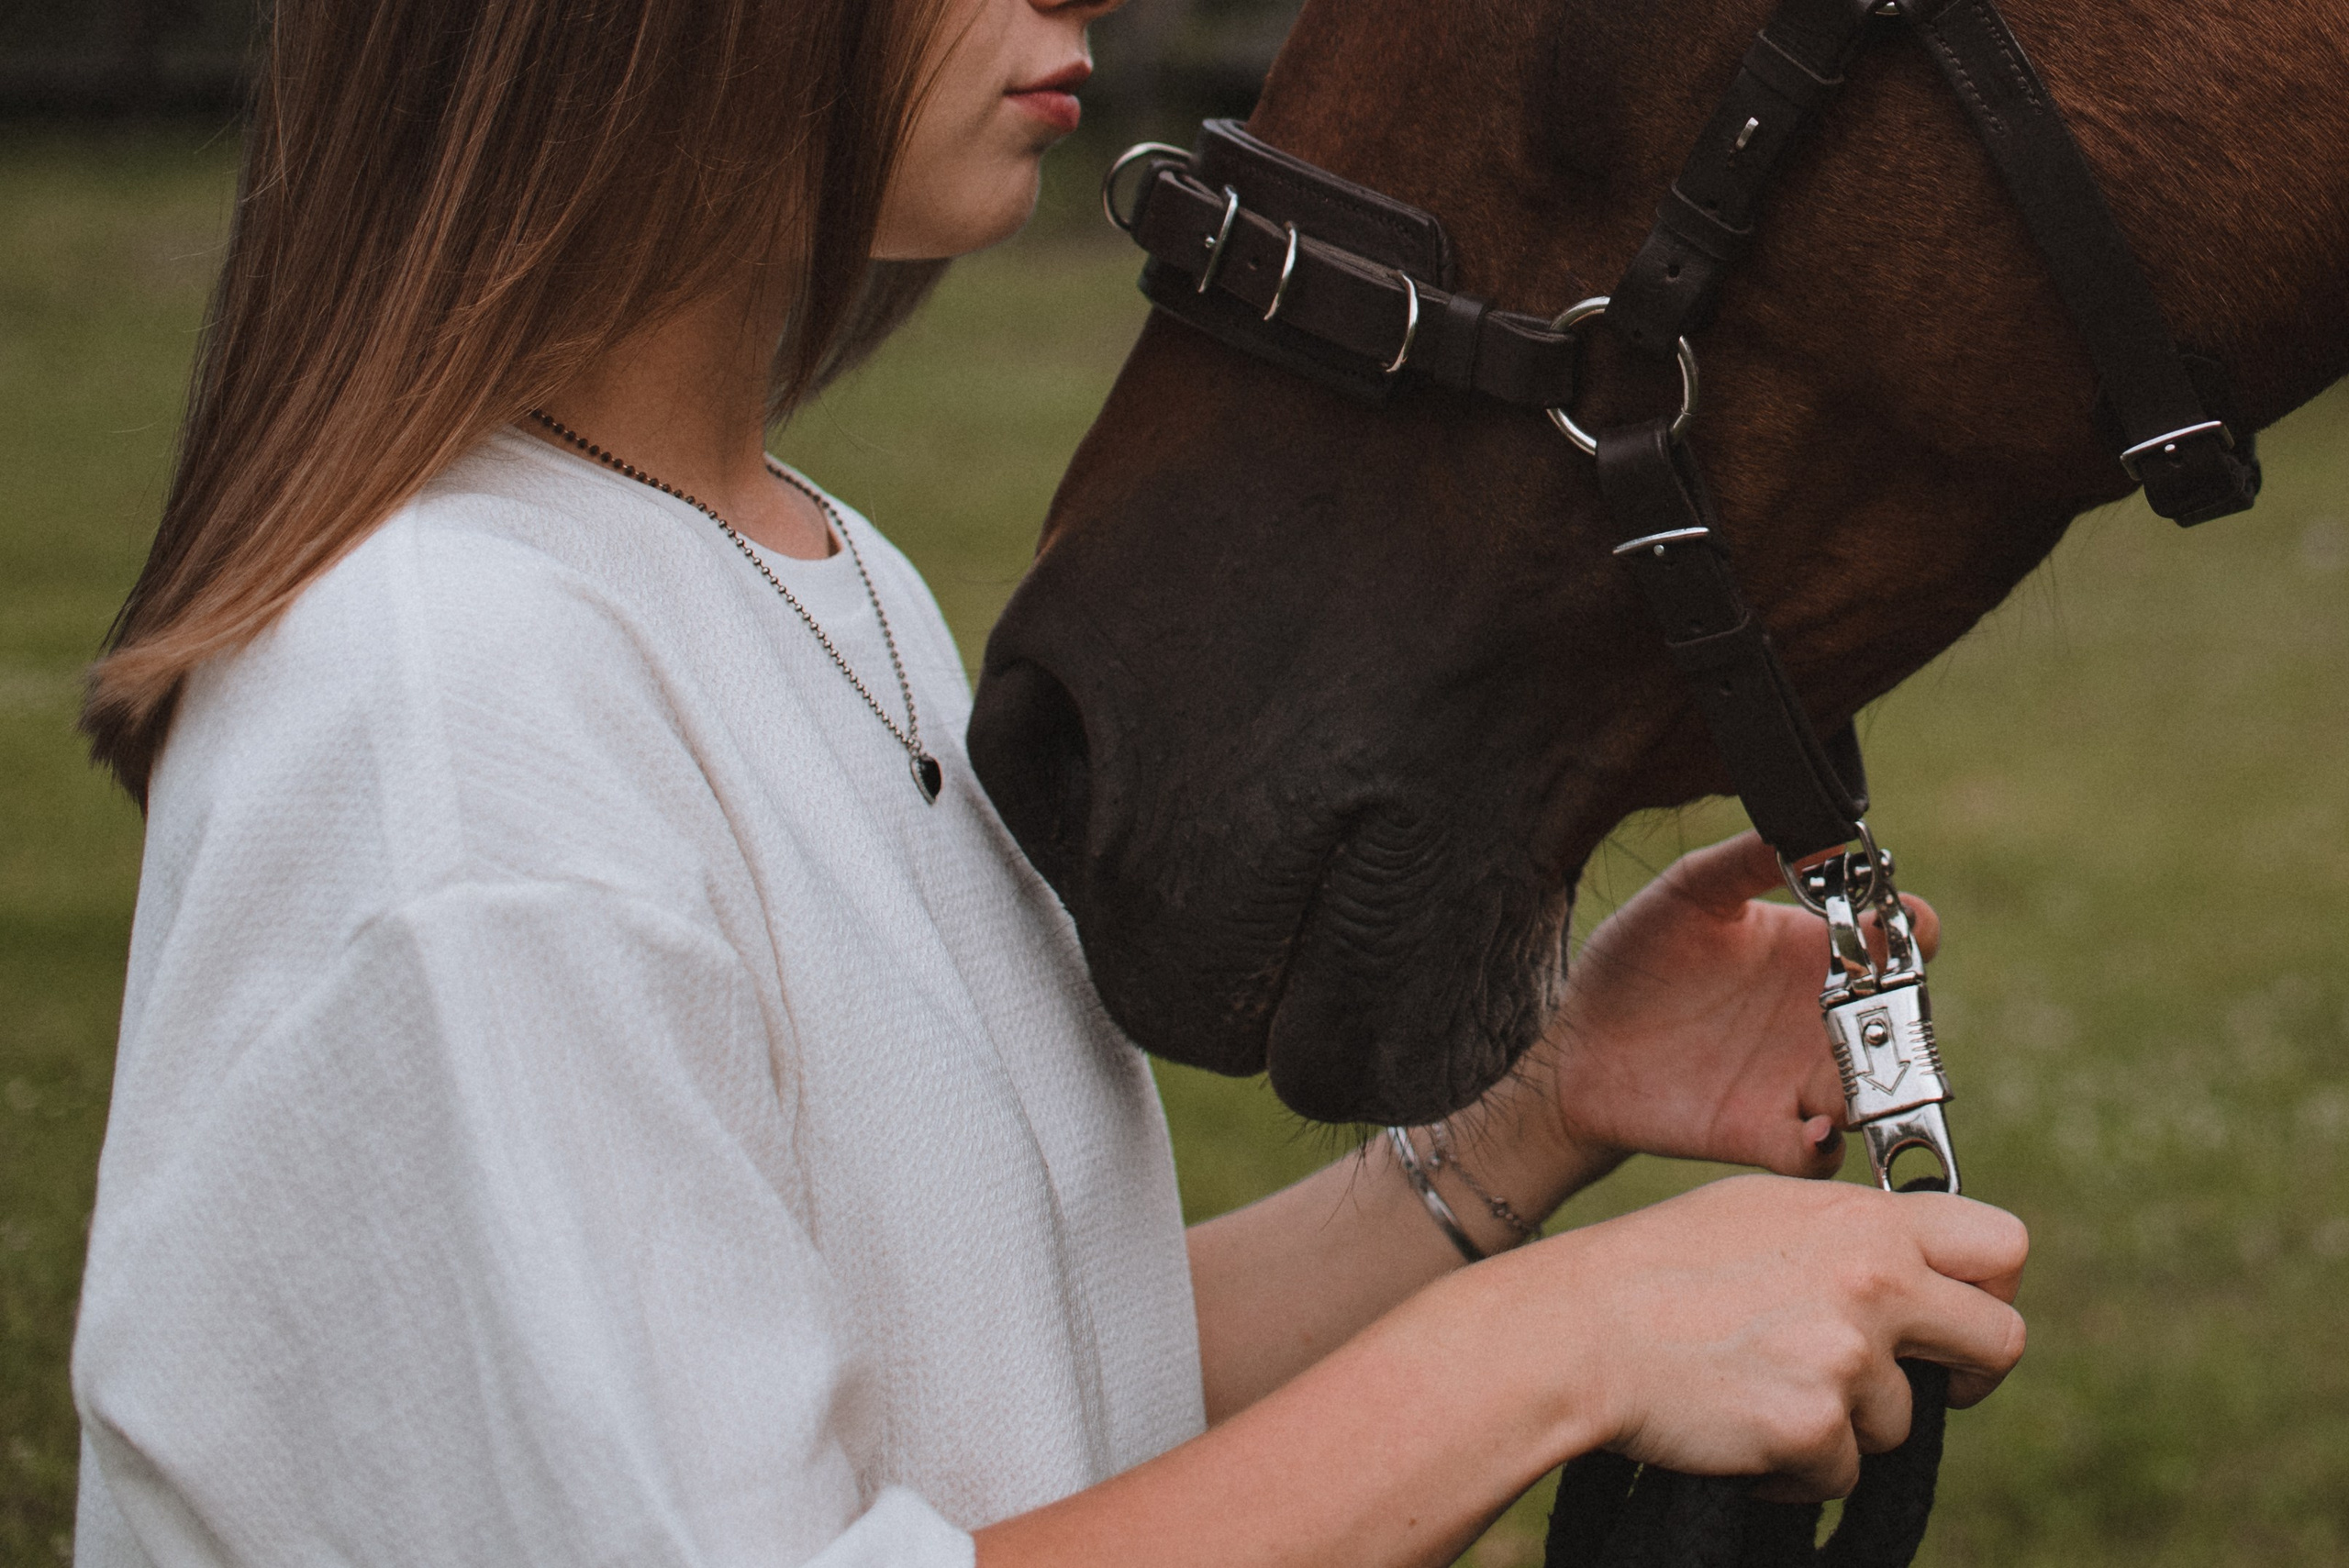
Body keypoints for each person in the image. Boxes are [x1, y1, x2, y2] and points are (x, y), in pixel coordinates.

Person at [69, 0, 2029, 1564]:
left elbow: (993, 1409)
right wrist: (1552, 1356)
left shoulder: (799, 562)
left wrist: (1525, 1130)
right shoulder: (454, 706)